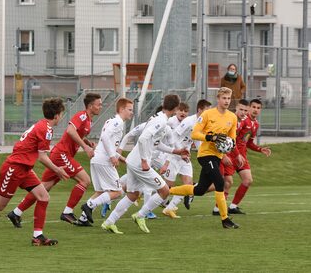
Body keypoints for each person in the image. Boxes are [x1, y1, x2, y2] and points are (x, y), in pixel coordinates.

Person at [0, 98, 68, 246]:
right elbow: (42, 157)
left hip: (24, 168)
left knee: (43, 196)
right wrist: (57, 170)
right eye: (61, 114)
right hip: (14, 168)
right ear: (57, 115)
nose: (61, 117)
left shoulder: (41, 125)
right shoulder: (46, 129)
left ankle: (38, 236)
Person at [7, 93, 102, 227]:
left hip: (61, 155)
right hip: (62, 154)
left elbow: (77, 134)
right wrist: (85, 147)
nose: (101, 107)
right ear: (91, 106)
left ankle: (16, 213)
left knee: (42, 188)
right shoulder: (82, 116)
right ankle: (67, 212)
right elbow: (70, 130)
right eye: (99, 104)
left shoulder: (89, 120)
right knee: (85, 180)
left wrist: (87, 142)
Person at [101, 94, 189, 234]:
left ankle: (109, 222)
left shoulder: (158, 118)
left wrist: (176, 151)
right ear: (176, 108)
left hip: (132, 160)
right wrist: (144, 161)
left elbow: (155, 143)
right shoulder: (160, 121)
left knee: (133, 194)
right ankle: (140, 215)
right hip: (139, 163)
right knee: (164, 190)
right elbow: (142, 139)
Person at [169, 87, 239, 229]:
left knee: (200, 190)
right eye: (224, 98)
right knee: (220, 182)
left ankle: (166, 190)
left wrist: (229, 146)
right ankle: (225, 219)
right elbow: (195, 134)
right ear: (218, 99)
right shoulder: (207, 114)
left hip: (217, 156)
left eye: (228, 98)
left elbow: (232, 138)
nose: (226, 101)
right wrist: (210, 137)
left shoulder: (232, 117)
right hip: (205, 155)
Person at [78, 98, 134, 226]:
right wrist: (112, 157)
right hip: (104, 160)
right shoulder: (117, 122)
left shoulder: (112, 121)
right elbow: (105, 137)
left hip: (97, 159)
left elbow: (109, 143)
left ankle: (83, 219)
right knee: (118, 191)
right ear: (121, 109)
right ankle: (89, 205)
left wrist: (121, 158)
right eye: (129, 109)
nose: (132, 112)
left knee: (101, 192)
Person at [162, 99, 211, 219]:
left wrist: (204, 155)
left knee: (188, 184)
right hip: (174, 155)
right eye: (207, 111)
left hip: (184, 157)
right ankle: (145, 205)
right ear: (200, 110)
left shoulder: (201, 123)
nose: (209, 113)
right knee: (166, 188)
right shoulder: (189, 121)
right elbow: (174, 136)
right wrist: (180, 151)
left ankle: (169, 208)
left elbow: (196, 140)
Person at [227, 99, 271, 214]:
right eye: (254, 107)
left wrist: (260, 149)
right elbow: (232, 139)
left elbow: (248, 143)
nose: (256, 110)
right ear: (249, 108)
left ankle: (232, 206)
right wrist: (236, 155)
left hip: (242, 157)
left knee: (248, 180)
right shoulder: (242, 121)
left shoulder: (255, 124)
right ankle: (195, 190)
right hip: (231, 155)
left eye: (258, 108)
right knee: (225, 183)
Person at [212, 99, 249, 215]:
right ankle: (193, 189)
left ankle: (218, 209)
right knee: (219, 182)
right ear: (236, 108)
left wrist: (237, 155)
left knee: (228, 182)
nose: (243, 112)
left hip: (228, 154)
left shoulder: (240, 122)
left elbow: (232, 141)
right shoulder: (230, 120)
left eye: (245, 110)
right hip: (219, 154)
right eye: (241, 109)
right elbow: (220, 138)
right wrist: (223, 155)